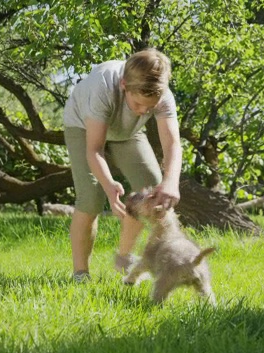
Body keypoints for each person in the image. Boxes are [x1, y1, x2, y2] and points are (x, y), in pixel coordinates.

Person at [63, 48, 183, 282]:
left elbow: (172, 144)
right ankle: (80, 274)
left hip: (127, 133)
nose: (143, 111)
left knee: (150, 187)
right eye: (138, 104)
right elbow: (94, 149)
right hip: (82, 127)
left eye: (149, 107)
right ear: (124, 85)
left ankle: (124, 259)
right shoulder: (103, 87)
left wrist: (171, 182)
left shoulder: (163, 95)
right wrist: (109, 186)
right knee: (91, 197)